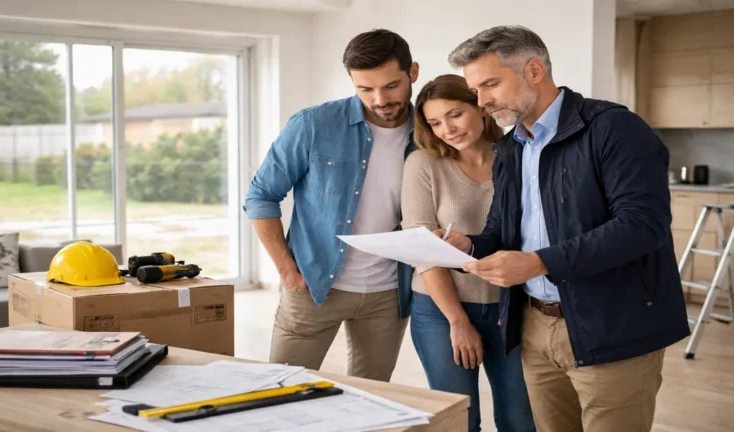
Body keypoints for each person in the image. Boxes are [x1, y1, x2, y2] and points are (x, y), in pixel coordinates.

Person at [437, 25, 690, 432]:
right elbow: (504, 230)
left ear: (534, 70)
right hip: (535, 328)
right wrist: (467, 243)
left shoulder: (614, 129)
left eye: (490, 85)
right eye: (476, 89)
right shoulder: (510, 148)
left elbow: (643, 226)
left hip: (612, 324)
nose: (481, 102)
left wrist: (538, 263)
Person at [243, 28, 419, 382]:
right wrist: (287, 272)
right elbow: (261, 196)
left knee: (372, 397)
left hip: (388, 293)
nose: (379, 99)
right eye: (365, 89)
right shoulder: (314, 124)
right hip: (313, 285)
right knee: (280, 390)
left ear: (412, 73)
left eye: (391, 86)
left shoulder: (430, 130)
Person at [402, 74, 535, 432]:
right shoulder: (423, 165)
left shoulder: (521, 155)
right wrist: (458, 322)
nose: (447, 129)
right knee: (459, 423)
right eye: (435, 122)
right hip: (441, 310)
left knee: (521, 420)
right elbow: (423, 251)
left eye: (455, 114)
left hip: (512, 308)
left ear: (480, 104)